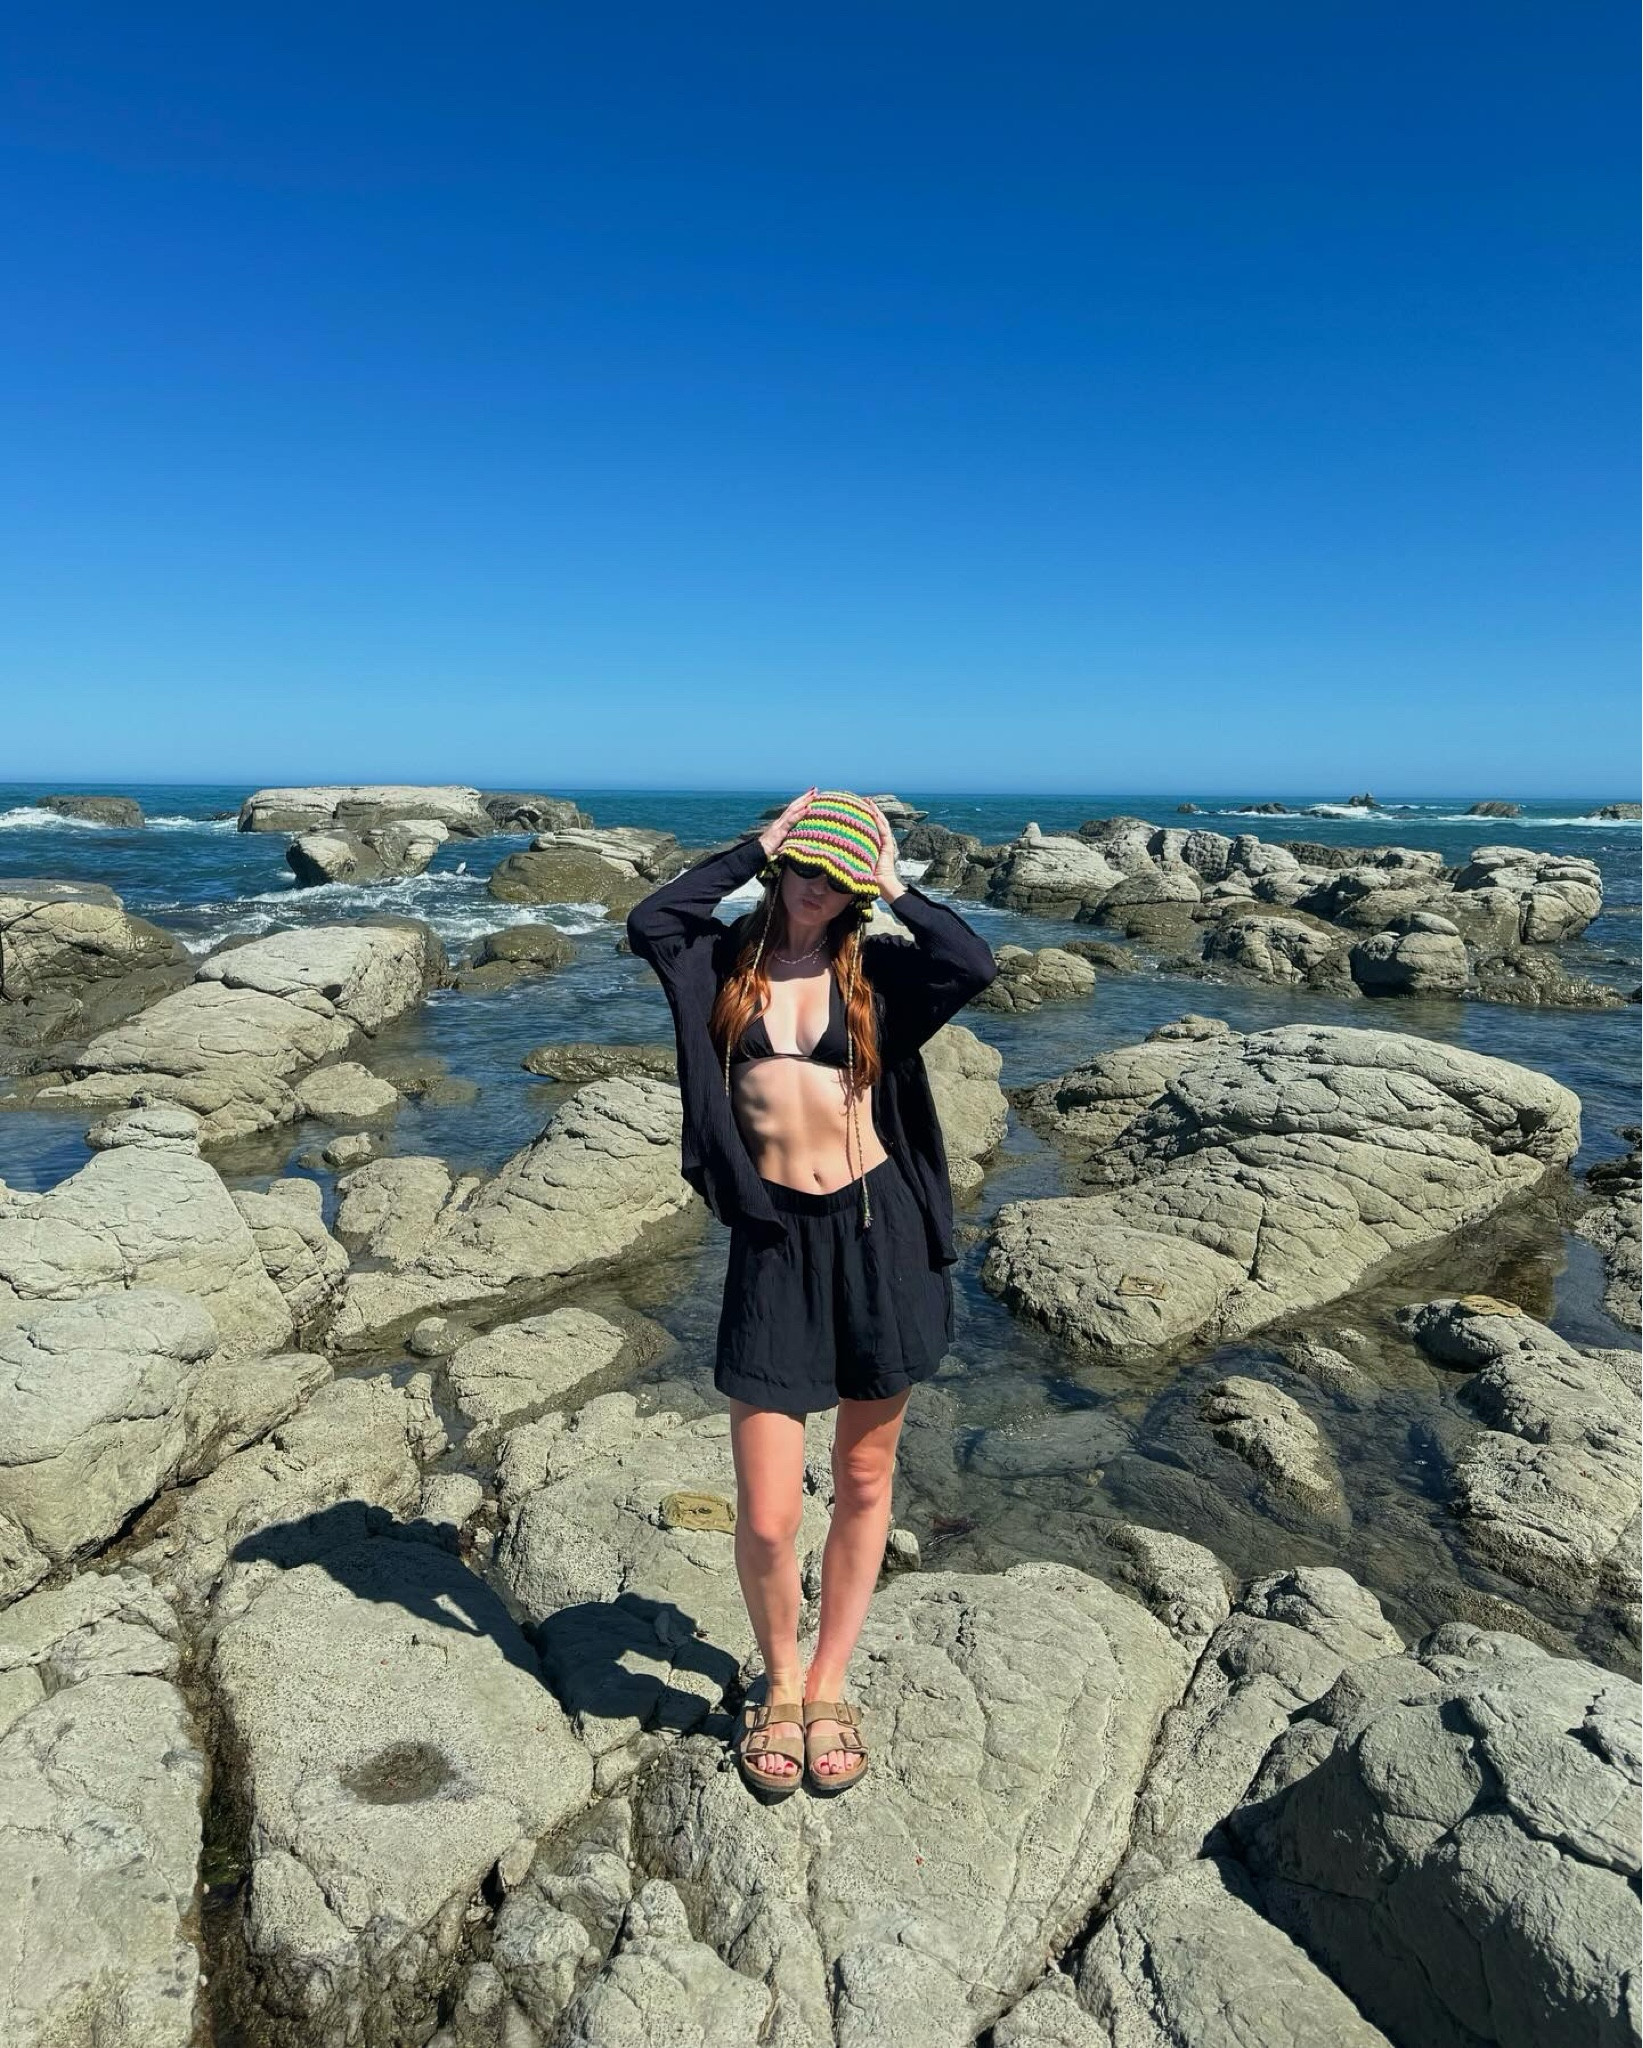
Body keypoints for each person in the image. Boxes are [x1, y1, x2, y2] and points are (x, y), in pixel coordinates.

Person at [626, 788, 997, 1800]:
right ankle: (777, 1680)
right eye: (802, 871)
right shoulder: (717, 962)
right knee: (764, 1514)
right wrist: (758, 843)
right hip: (773, 1244)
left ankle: (827, 1684)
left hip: (880, 1237)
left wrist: (893, 884)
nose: (811, 893)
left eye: (834, 881)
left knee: (866, 1478)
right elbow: (650, 918)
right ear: (778, 866)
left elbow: (970, 963)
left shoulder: (875, 968)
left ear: (853, 891)